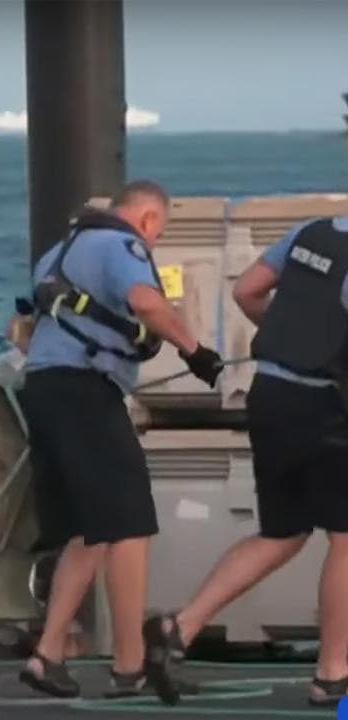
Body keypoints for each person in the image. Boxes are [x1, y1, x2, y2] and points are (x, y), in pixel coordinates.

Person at [12, 179, 224, 704]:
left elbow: (19, 329)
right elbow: (146, 304)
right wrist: (197, 352)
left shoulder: (56, 255)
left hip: (44, 389)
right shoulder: (121, 245)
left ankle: (49, 654)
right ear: (148, 219)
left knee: (91, 531)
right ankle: (129, 664)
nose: (154, 242)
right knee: (130, 522)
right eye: (159, 232)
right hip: (86, 393)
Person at [144, 214, 348, 708]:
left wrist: (291, 340)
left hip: (270, 392)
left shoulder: (312, 232)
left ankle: (180, 627)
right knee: (346, 538)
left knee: (283, 532)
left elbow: (248, 292)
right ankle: (333, 672)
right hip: (322, 406)